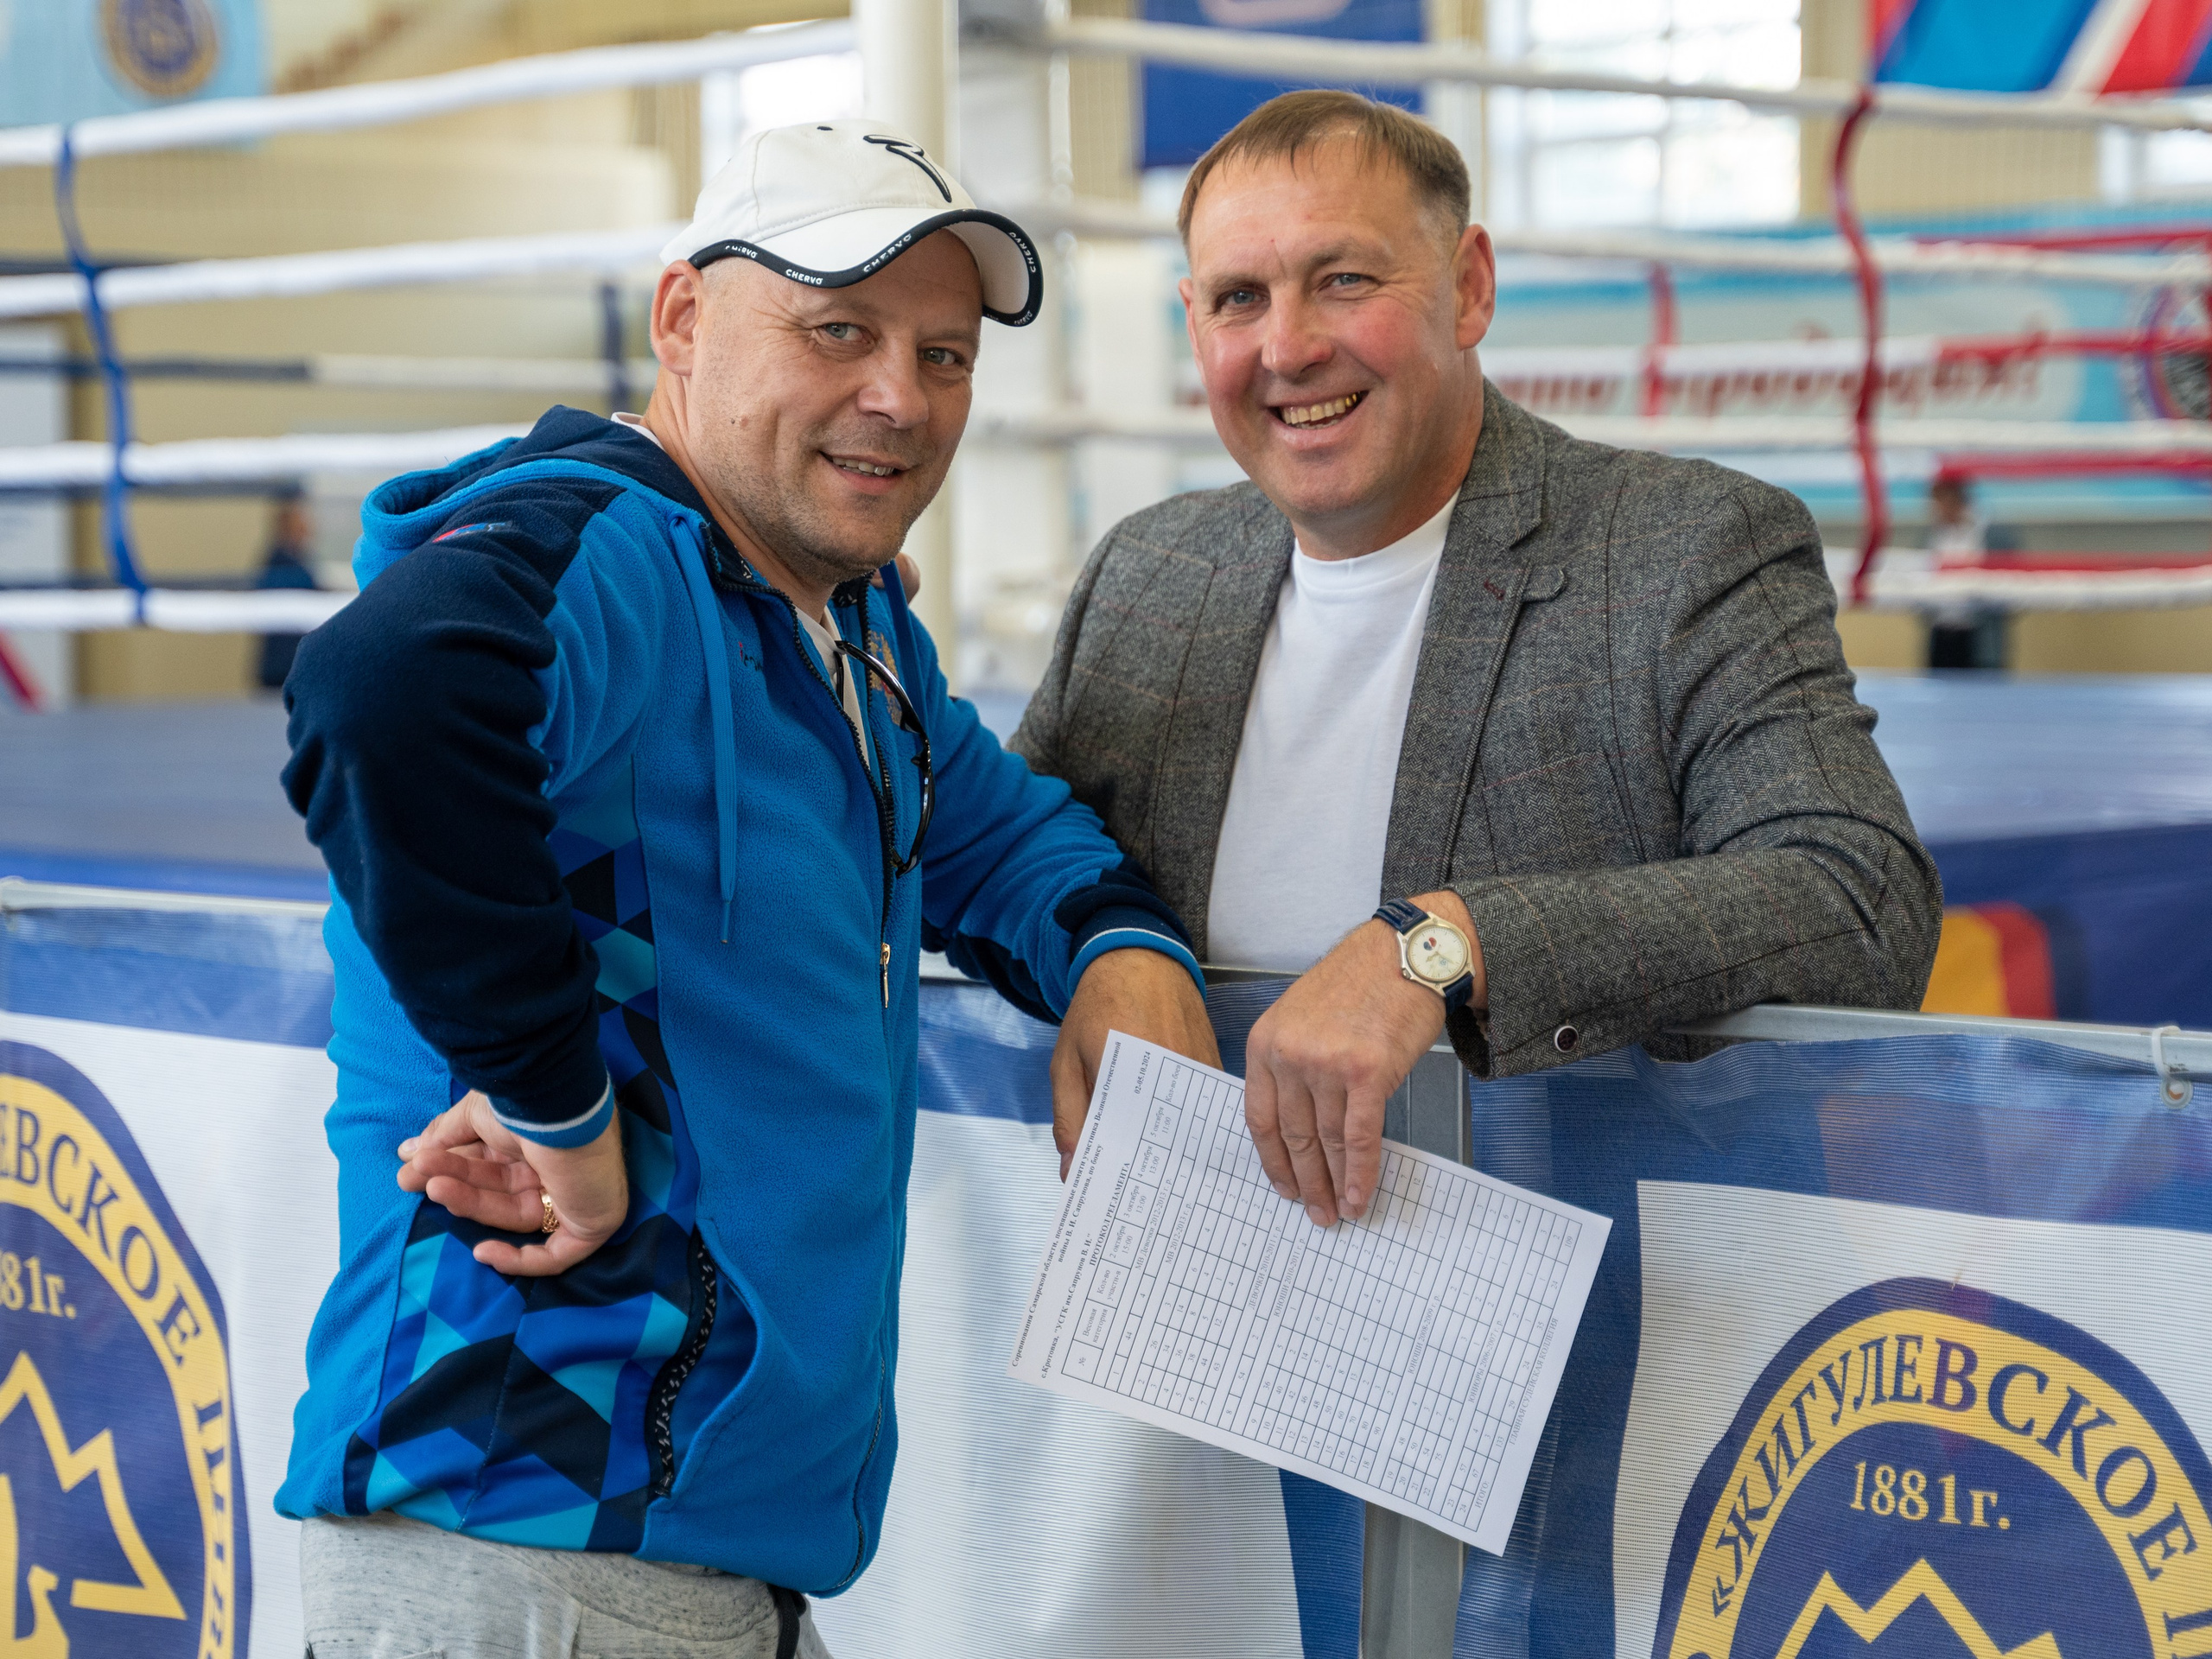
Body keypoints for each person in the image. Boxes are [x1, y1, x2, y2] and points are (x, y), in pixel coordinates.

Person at [275, 122, 1217, 1659]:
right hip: (526, 1534)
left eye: (946, 353)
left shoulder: (851, 642)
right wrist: (561, 1118)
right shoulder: (613, 552)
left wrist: (1121, 952)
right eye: (837, 329)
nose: (899, 398)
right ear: (683, 321)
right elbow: (385, 695)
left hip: (688, 1561)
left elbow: (1008, 841)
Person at [1015, 91, 1943, 1230]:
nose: (1290, 347)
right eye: (1238, 299)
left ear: (1468, 288)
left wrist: (1446, 947)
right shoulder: (1150, 576)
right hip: (1207, 1312)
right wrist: (1111, 943)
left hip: (1618, 1335)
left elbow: (1859, 905)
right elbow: (1001, 861)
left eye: (1345, 279)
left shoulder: (1679, 548)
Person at [1923, 466, 2017, 669]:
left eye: (1939, 499)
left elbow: (2017, 586)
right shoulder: (1930, 537)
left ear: (1956, 497)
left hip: (1981, 638)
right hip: (1940, 636)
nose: (1935, 507)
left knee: (1985, 696)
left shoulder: (1994, 535)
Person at [253, 489, 318, 690]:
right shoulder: (280, 563)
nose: (310, 525)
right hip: (283, 667)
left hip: (288, 665)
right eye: (302, 518)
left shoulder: (294, 560)